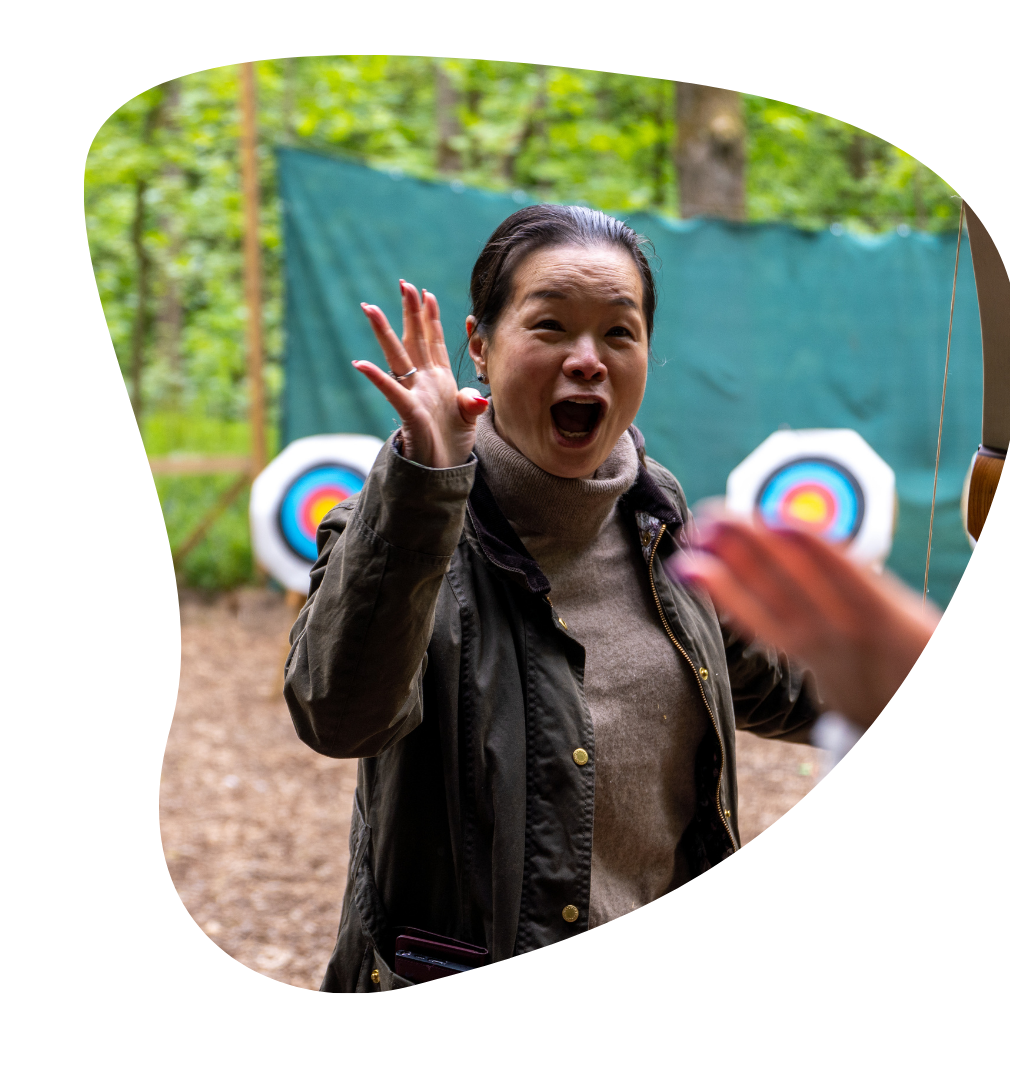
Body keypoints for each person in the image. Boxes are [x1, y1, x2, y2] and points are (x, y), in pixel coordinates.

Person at [283, 205, 930, 994]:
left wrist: (881, 659)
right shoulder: (394, 528)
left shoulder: (660, 523)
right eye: (550, 325)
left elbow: (775, 682)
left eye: (619, 333)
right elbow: (340, 715)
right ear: (480, 348)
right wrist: (424, 487)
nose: (587, 359)